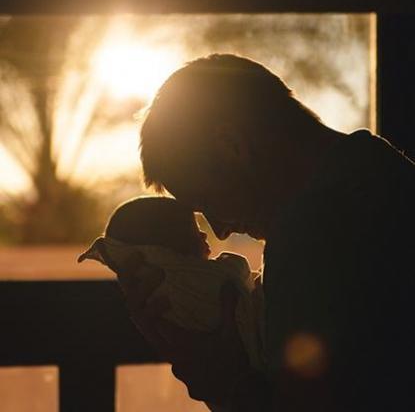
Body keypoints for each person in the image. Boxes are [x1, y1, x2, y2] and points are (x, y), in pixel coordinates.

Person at [116, 54, 415, 411]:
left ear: (232, 147)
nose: (220, 232)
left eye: (206, 202)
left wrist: (216, 377)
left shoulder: (309, 235)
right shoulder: (385, 173)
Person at [78, 196, 265, 373]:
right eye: (192, 229)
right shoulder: (193, 281)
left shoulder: (157, 295)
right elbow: (237, 273)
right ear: (166, 250)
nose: (205, 234)